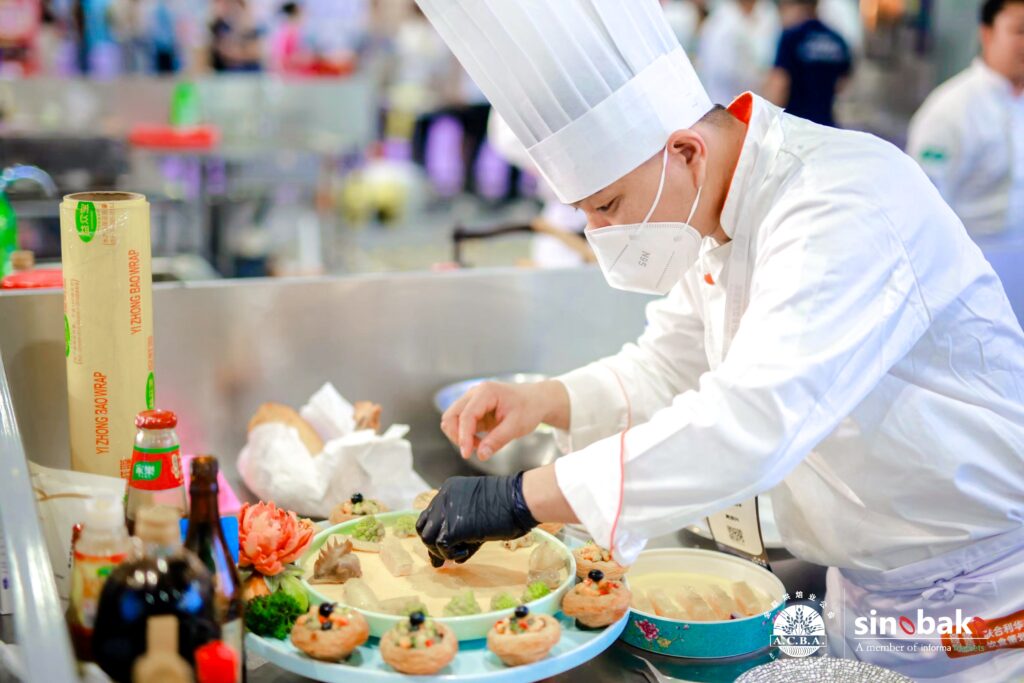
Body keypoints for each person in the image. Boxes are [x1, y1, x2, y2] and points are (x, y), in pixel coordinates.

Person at [412, 1, 1024, 680]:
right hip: (865, 585)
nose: (601, 235)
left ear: (686, 152)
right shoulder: (715, 212)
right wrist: (545, 399)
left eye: (607, 206)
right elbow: (668, 367)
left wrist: (522, 497)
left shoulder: (838, 202)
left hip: (983, 595)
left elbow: (751, 420)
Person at [907, 0, 1024, 240]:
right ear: (987, 33)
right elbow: (922, 207)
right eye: (1020, 31)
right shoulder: (950, 109)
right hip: (971, 255)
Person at [764, 0, 852, 127]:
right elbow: (842, 83)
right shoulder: (836, 39)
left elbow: (779, 83)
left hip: (795, 126)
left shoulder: (791, 37)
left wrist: (766, 122)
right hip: (826, 125)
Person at [696, 0, 780, 105]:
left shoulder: (769, 12)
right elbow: (722, 72)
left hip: (762, 102)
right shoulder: (718, 23)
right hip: (726, 102)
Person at [208, 0, 264, 73]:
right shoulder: (219, 26)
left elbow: (258, 52)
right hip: (227, 73)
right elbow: (225, 52)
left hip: (251, 72)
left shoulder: (252, 27)